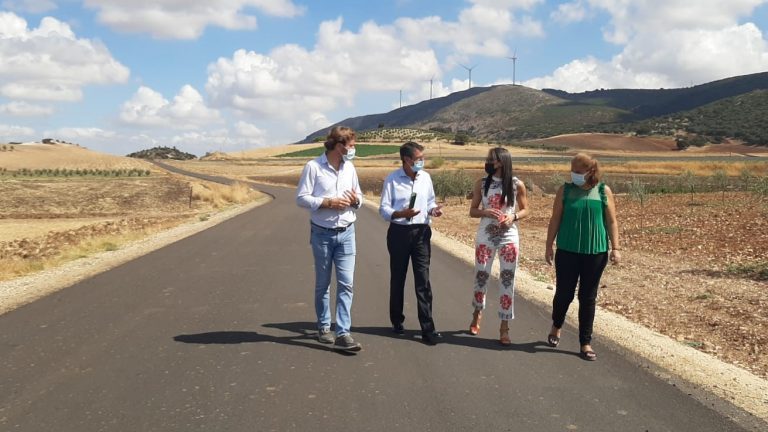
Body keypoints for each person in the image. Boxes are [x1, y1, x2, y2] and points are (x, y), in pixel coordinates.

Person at [544, 153, 621, 361]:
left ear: (590, 171)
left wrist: (616, 248)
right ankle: (556, 325)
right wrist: (548, 245)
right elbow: (555, 219)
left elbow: (612, 221)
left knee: (588, 298)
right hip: (568, 250)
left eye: (578, 172)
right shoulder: (565, 190)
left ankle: (585, 342)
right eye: (572, 170)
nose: (574, 175)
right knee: (564, 294)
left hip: (595, 252)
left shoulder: (603, 192)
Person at [296, 126, 364, 353]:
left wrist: (355, 201)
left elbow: (359, 196)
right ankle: (324, 327)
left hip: (347, 232)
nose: (354, 149)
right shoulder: (313, 167)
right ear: (338, 145)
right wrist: (328, 203)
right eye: (351, 145)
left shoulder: (350, 168)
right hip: (322, 233)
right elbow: (302, 198)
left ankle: (343, 331)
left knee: (347, 283)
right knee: (323, 284)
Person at [379, 141, 444, 345]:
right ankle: (397, 321)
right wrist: (401, 214)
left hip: (422, 233)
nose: (422, 162)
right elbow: (384, 209)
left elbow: (430, 201)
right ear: (406, 160)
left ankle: (428, 328)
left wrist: (434, 210)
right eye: (418, 159)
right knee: (398, 278)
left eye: (423, 158)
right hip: (399, 232)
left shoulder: (426, 178)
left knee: (423, 281)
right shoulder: (392, 179)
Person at [468, 147, 530, 345]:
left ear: (501, 162)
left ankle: (504, 326)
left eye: (491, 159)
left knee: (507, 280)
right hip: (485, 236)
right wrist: (486, 212)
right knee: (481, 274)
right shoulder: (482, 183)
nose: (487, 161)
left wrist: (513, 216)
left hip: (509, 237)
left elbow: (526, 209)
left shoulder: (516, 185)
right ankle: (477, 312)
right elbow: (473, 211)